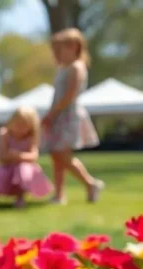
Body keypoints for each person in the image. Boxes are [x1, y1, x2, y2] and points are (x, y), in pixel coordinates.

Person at [42, 28, 102, 204]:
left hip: (67, 115)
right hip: (59, 114)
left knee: (62, 153)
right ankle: (59, 195)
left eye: (63, 46)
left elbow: (70, 95)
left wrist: (52, 114)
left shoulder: (77, 67)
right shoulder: (63, 68)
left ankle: (90, 183)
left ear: (75, 46)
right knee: (56, 154)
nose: (60, 51)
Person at [0, 107, 53, 209]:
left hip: (25, 168)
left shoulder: (31, 137)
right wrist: (11, 156)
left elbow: (34, 156)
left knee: (22, 169)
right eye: (17, 124)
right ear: (11, 121)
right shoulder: (4, 134)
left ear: (31, 127)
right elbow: (2, 156)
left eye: (24, 126)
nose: (20, 128)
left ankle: (20, 197)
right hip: (7, 166)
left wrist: (18, 155)